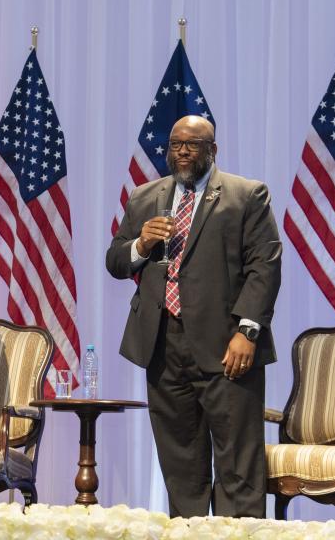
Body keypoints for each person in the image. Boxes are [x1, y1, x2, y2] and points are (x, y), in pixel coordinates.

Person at [105, 115, 282, 517]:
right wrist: (142, 243)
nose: (182, 151)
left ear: (212, 150)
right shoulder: (145, 197)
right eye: (175, 144)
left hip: (227, 346)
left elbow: (264, 267)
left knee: (237, 462)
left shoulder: (246, 195)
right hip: (162, 343)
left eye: (192, 144)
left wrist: (247, 332)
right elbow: (116, 260)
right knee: (180, 462)